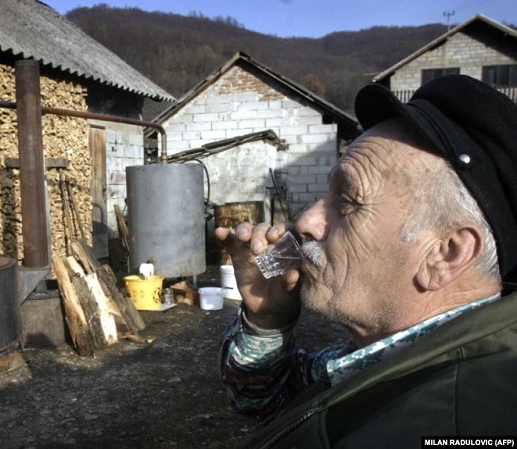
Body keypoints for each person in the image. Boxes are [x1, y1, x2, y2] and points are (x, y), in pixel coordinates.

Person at [217, 74, 517, 447]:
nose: (306, 221)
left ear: (446, 254)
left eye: (348, 202)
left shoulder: (447, 424)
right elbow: (269, 401)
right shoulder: (387, 359)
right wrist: (267, 320)